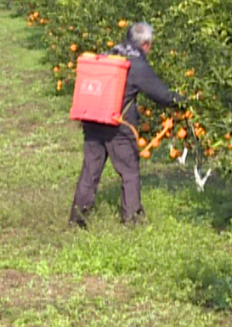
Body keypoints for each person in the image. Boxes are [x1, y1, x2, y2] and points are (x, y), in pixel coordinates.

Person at [69, 21, 185, 227]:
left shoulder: (108, 54)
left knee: (90, 171)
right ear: (146, 44)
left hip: (93, 121)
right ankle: (132, 219)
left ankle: (77, 219)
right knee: (129, 172)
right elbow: (162, 95)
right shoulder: (137, 64)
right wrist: (187, 102)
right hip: (118, 127)